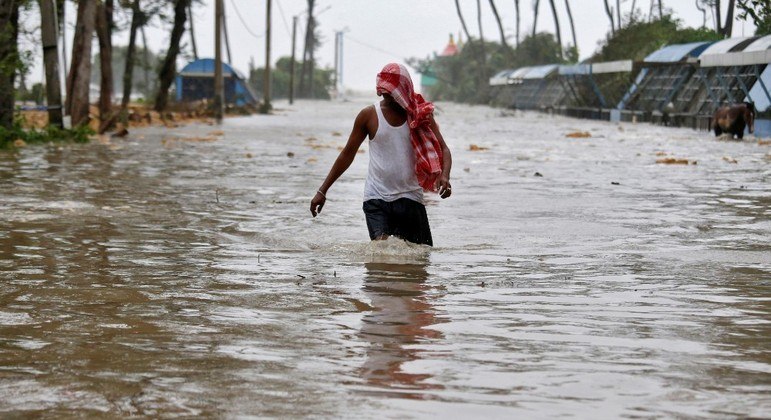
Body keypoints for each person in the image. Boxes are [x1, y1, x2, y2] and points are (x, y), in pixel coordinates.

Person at [309, 63, 452, 246]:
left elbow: (444, 149)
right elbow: (347, 154)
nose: (387, 95)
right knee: (381, 256)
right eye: (384, 91)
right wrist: (323, 190)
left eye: (391, 91)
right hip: (376, 199)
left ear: (404, 90)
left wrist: (445, 175)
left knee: (420, 260)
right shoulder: (369, 116)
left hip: (410, 198)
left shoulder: (420, 115)